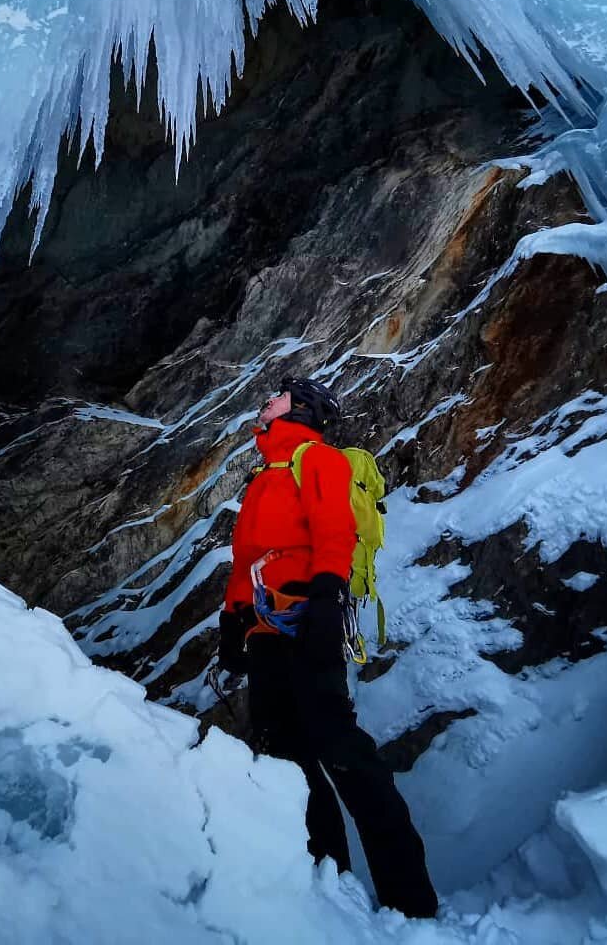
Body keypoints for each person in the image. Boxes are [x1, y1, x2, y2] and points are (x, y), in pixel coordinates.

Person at [217, 376, 438, 919]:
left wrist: (325, 598)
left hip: (309, 621)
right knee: (285, 757)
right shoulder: (265, 476)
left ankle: (409, 899)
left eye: (278, 395)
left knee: (339, 746)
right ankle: (325, 887)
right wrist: (231, 623)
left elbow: (333, 531)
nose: (267, 400)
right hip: (267, 632)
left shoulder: (318, 459)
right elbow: (246, 559)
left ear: (303, 408)